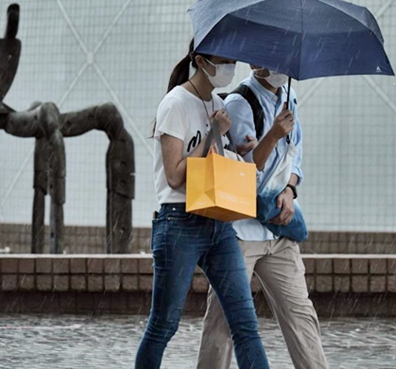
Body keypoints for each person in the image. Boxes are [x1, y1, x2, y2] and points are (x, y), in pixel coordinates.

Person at [135, 40, 270, 369]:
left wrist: (239, 147)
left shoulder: (215, 103)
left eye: (232, 61)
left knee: (245, 325)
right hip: (180, 223)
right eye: (222, 61)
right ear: (200, 61)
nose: (229, 69)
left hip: (219, 223)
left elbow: (216, 165)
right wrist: (212, 132)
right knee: (164, 325)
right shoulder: (175, 104)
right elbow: (175, 175)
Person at [196, 65, 329, 369]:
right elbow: (243, 174)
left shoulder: (289, 97)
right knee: (224, 320)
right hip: (241, 231)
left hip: (278, 231)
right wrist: (272, 135)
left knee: (300, 315)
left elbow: (296, 156)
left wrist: (290, 191)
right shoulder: (239, 104)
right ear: (256, 64)